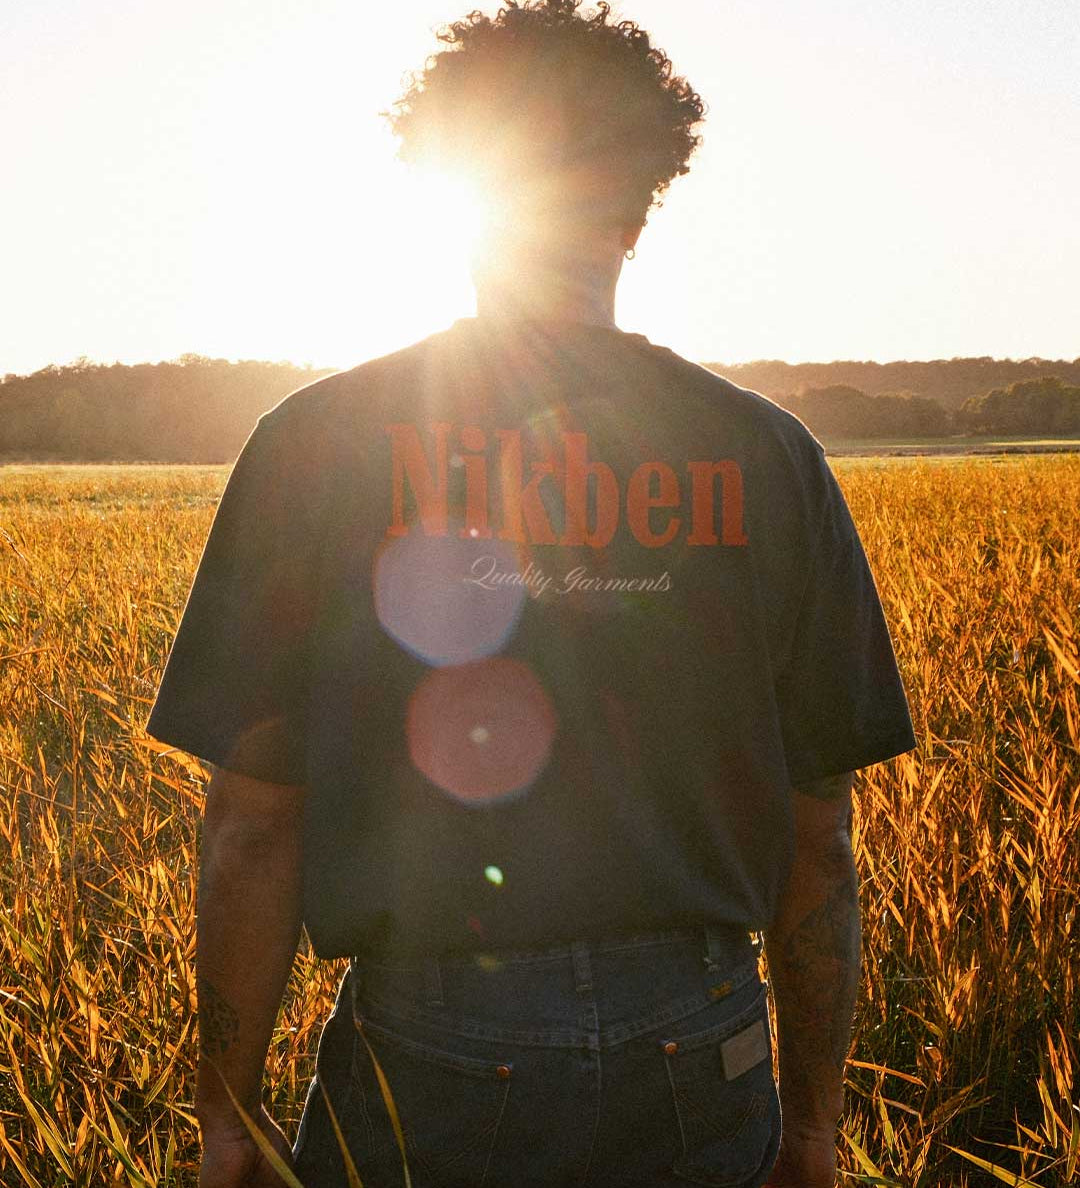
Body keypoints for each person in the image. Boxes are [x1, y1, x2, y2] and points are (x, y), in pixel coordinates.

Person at [145, 2, 918, 1186]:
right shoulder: (770, 458)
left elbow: (254, 823)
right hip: (702, 1033)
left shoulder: (316, 443)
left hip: (435, 1043)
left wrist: (227, 1114)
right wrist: (811, 1129)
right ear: (641, 201)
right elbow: (820, 842)